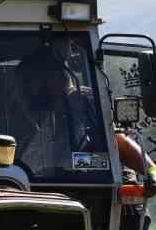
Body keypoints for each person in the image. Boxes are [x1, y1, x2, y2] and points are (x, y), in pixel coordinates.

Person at [11, 44, 98, 177]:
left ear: (56, 77)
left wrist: (68, 166)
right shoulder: (36, 137)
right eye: (23, 86)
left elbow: (111, 155)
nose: (27, 93)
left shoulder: (85, 103)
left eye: (29, 82)